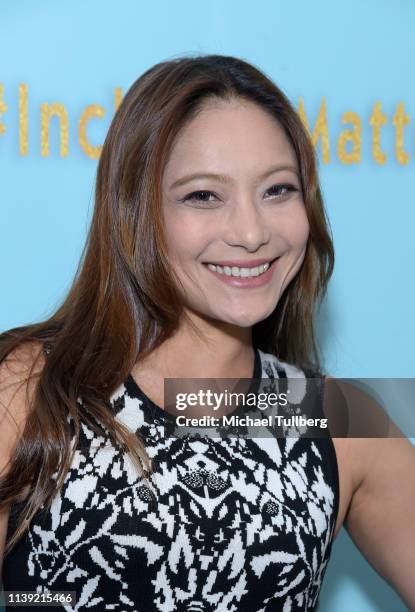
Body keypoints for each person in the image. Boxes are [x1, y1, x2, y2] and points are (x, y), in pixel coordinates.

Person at [0, 54, 414, 611]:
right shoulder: (31, 388)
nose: (250, 231)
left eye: (278, 190)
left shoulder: (332, 419)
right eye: (203, 195)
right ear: (137, 213)